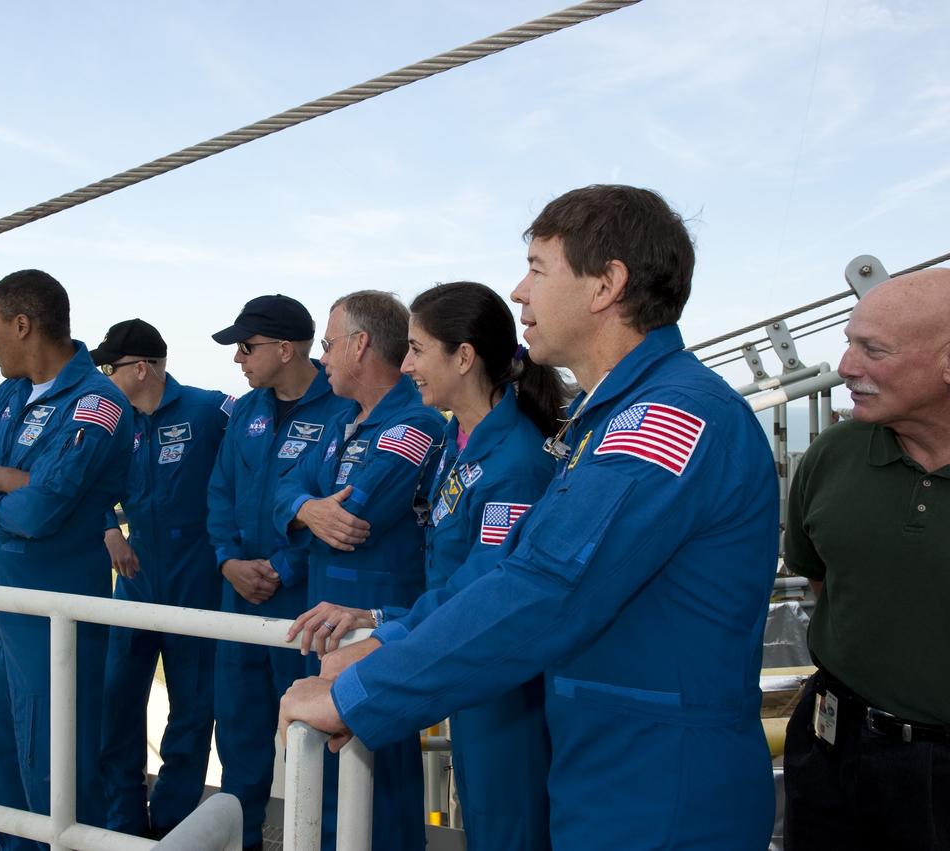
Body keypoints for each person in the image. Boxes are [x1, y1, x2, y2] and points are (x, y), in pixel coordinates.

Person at [280, 185, 781, 850]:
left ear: (606, 284)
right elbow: (511, 570)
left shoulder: (668, 418)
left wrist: (362, 693)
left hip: (660, 792)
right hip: (610, 772)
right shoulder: (608, 421)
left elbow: (549, 586)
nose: (519, 291)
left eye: (539, 268)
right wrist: (386, 641)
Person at [289, 281, 566, 850]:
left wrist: (381, 625)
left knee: (505, 829)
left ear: (463, 357)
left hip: (500, 684)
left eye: (416, 350)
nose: (406, 364)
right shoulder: (456, 443)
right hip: (459, 659)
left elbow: (484, 589)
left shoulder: (513, 462)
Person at [0, 269, 132, 851]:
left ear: (23, 325)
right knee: (2, 766)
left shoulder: (97, 403)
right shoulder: (9, 395)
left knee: (60, 775)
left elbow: (41, 512)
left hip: (56, 622)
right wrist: (5, 480)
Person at [782, 268, 950, 851]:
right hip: (830, 743)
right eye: (848, 342)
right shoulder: (835, 453)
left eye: (872, 350)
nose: (846, 367)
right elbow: (822, 576)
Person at [273, 290, 445, 851]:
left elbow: (357, 516)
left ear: (360, 344)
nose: (322, 357)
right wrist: (304, 508)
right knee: (328, 786)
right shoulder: (338, 421)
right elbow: (282, 486)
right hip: (324, 619)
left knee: (380, 790)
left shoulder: (415, 424)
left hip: (378, 630)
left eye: (327, 344)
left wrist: (312, 507)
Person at [206, 294, 356, 851]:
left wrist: (284, 566)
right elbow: (220, 491)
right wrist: (227, 560)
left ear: (285, 348)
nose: (238, 360)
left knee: (317, 743)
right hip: (239, 599)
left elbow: (344, 512)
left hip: (304, 606)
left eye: (246, 347)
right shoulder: (247, 411)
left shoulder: (343, 409)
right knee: (240, 738)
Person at [90, 318, 232, 838]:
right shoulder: (113, 423)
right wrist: (108, 528)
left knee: (193, 713)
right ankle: (123, 823)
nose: (103, 377)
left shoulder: (209, 409)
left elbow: (250, 469)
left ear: (143, 367)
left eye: (111, 367)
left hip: (197, 584)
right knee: (116, 704)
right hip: (137, 581)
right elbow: (88, 484)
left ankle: (170, 825)